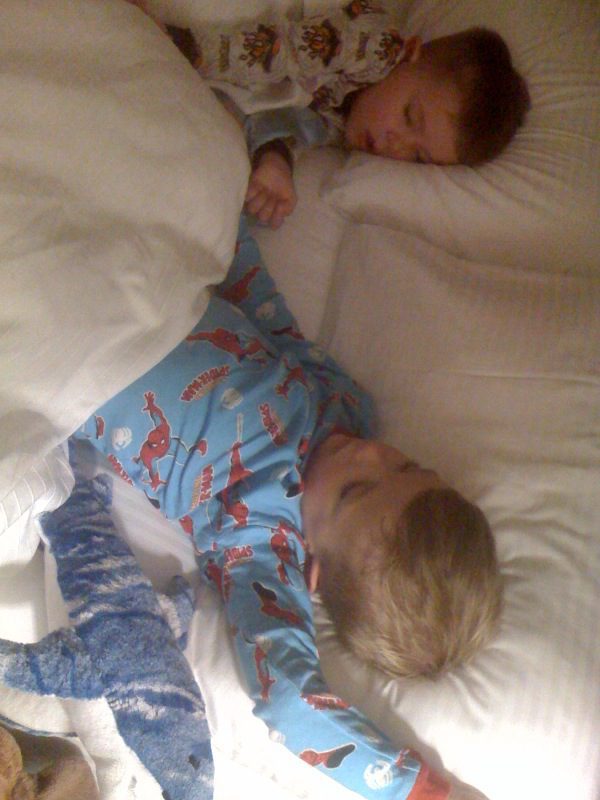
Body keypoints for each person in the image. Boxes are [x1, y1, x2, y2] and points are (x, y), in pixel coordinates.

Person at [74, 215, 501, 799]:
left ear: (313, 569)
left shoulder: (261, 545)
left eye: (354, 492)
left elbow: (289, 701)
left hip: (86, 358)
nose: (366, 454)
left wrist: (413, 788)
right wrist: (229, 227)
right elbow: (272, 321)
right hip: (152, 275)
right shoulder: (345, 410)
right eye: (404, 466)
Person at [132, 2, 530, 228]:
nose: (397, 147)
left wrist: (276, 161)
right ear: (409, 53)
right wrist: (187, 46)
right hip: (239, 36)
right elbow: (279, 49)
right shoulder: (373, 48)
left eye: (418, 156)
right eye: (410, 117)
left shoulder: (354, 122)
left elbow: (295, 120)